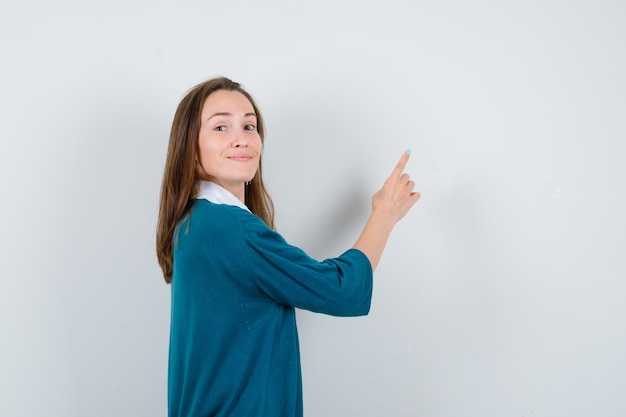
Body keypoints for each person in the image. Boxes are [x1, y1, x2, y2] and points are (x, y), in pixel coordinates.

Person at [156, 76, 420, 417]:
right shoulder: (230, 228)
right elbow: (339, 289)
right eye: (221, 127)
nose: (241, 138)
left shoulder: (192, 224)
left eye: (249, 126)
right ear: (190, 151)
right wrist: (384, 215)